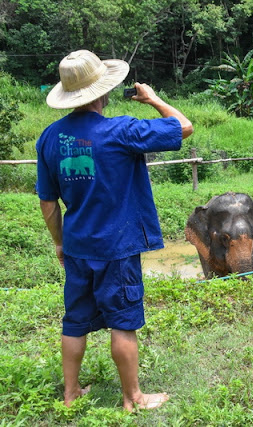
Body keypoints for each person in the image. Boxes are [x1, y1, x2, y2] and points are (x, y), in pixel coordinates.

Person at [36, 50, 193, 411]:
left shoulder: (49, 138)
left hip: (77, 246)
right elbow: (184, 126)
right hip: (117, 247)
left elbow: (48, 203)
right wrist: (153, 99)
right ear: (103, 91)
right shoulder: (122, 130)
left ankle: (71, 393)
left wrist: (60, 243)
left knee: (74, 321)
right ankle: (133, 398)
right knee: (123, 322)